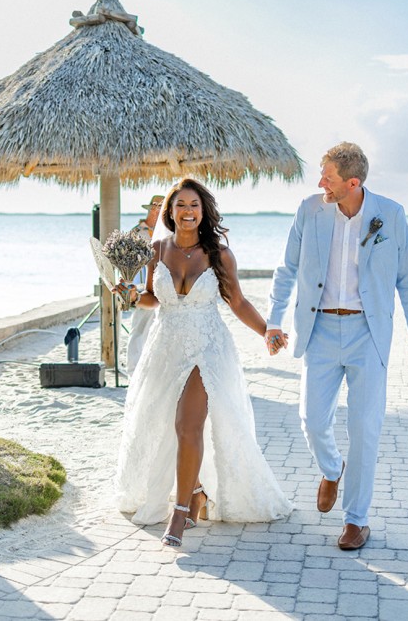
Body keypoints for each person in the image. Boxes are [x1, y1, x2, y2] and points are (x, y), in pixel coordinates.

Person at [113, 178, 292, 548]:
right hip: (165, 346)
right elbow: (152, 298)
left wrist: (267, 331)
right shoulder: (157, 249)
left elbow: (238, 303)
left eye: (194, 205)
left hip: (206, 348)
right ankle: (195, 491)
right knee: (164, 423)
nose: (188, 212)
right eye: (181, 205)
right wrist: (131, 296)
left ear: (203, 211)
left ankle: (179, 512)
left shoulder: (219, 254)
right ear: (170, 211)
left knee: (186, 424)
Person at [265, 142, 408, 551]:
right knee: (312, 420)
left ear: (352, 183)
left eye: (329, 178)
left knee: (365, 430)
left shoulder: (390, 214)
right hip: (318, 329)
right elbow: (287, 269)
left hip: (368, 334)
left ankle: (356, 520)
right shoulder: (310, 210)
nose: (321, 183)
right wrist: (274, 319)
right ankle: (331, 468)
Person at [125, 194, 164, 375]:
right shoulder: (136, 232)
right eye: (155, 206)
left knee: (156, 330)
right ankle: (134, 370)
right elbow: (126, 261)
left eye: (161, 207)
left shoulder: (168, 233)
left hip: (162, 286)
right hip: (141, 285)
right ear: (150, 208)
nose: (158, 209)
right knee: (139, 328)